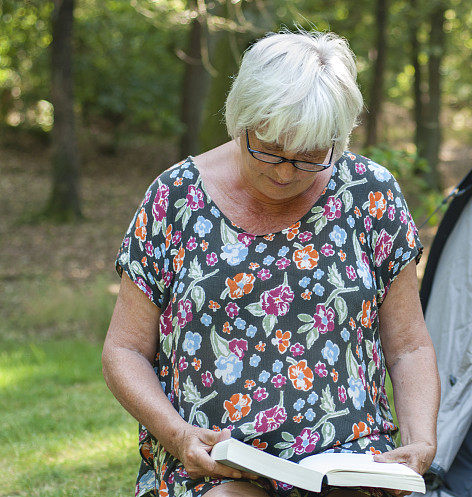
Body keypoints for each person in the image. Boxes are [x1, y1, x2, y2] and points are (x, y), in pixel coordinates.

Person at [101, 30, 440, 497]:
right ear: (242, 119)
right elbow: (124, 350)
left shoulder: (371, 196)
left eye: (309, 157)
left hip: (348, 461)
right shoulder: (175, 199)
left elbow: (409, 347)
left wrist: (420, 440)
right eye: (270, 149)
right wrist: (178, 436)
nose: (284, 173)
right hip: (216, 463)